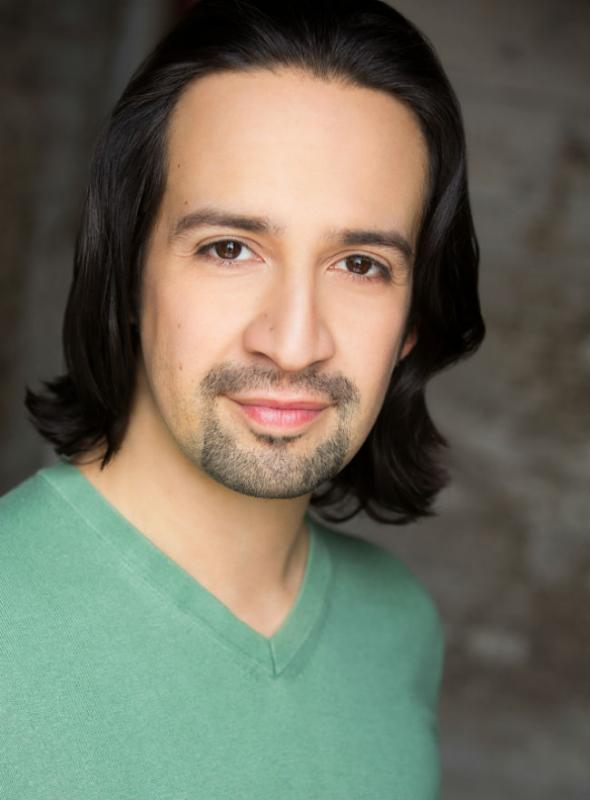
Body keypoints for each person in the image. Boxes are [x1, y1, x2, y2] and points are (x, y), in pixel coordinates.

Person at [0, 0, 484, 797]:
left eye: (360, 264)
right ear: (126, 270)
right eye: (229, 249)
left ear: (414, 321)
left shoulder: (400, 627)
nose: (293, 343)